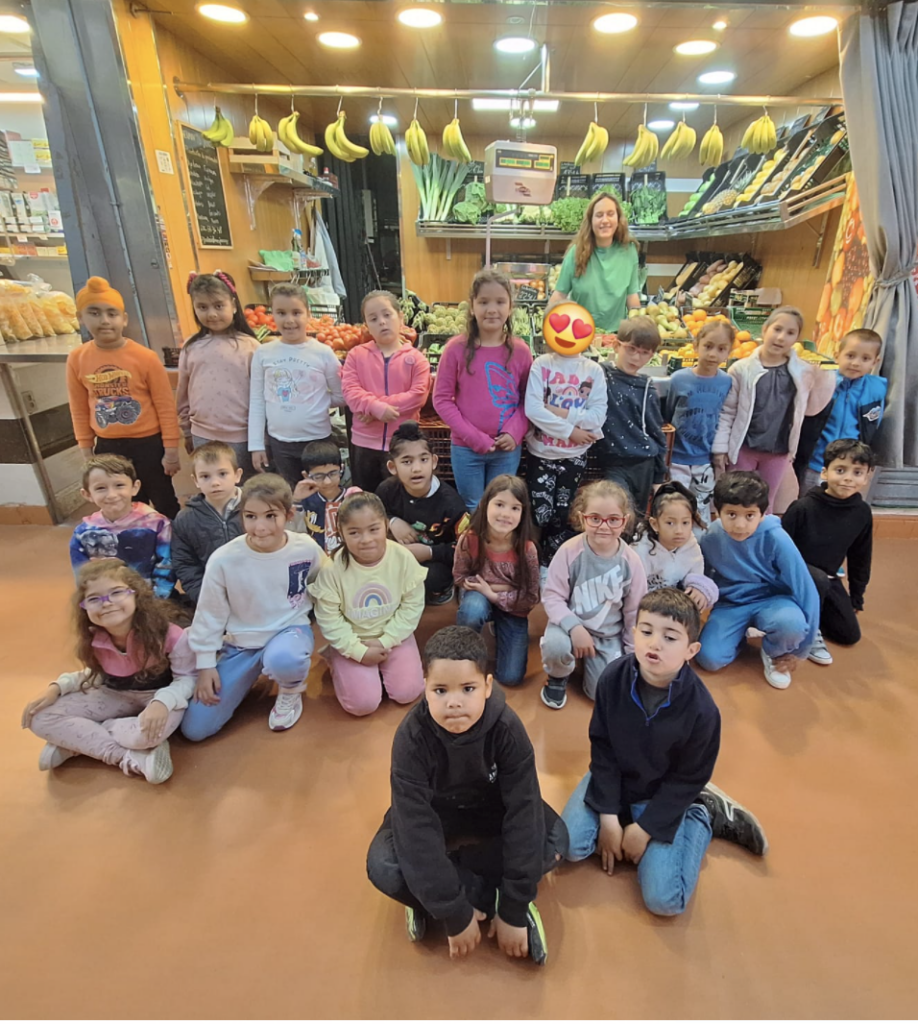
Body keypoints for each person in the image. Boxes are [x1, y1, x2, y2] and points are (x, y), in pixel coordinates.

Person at [366, 625, 568, 966]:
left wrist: (514, 908)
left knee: (556, 841)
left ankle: (429, 893)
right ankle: (447, 894)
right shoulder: (411, 739)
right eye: (440, 690)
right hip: (437, 814)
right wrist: (454, 912)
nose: (454, 702)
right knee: (384, 866)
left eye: (468, 688)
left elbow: (524, 810)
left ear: (487, 687)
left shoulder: (507, 729)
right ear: (425, 687)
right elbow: (415, 826)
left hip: (490, 809)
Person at [561, 589, 768, 918]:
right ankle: (624, 815)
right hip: (615, 778)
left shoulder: (703, 711)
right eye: (646, 631)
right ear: (633, 634)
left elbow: (689, 777)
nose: (654, 644)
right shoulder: (612, 678)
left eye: (670, 637)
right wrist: (609, 817)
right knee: (569, 846)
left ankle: (703, 813)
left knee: (664, 900)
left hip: (662, 792)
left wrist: (646, 828)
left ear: (691, 650)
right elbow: (602, 747)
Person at [22, 560, 194, 784]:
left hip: (158, 696)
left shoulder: (169, 633)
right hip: (114, 694)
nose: (107, 603)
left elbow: (188, 677)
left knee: (149, 735)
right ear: (84, 607)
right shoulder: (93, 636)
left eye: (117, 592)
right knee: (39, 717)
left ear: (136, 595)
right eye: (94, 599)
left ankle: (78, 742)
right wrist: (57, 688)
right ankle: (128, 758)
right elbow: (94, 674)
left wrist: (163, 702)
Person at [181, 474, 326, 740]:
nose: (260, 527)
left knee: (285, 659)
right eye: (250, 516)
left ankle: (290, 689)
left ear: (289, 515)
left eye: (271, 516)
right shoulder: (224, 560)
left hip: (289, 631)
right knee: (195, 730)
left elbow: (327, 582)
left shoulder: (305, 547)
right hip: (242, 643)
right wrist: (205, 664)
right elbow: (210, 612)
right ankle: (245, 676)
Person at [66, 276, 181, 518]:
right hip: (107, 446)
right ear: (80, 318)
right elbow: (78, 408)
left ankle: (173, 540)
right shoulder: (77, 359)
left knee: (164, 501)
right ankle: (134, 538)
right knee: (124, 504)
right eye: (94, 313)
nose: (105, 320)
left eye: (112, 313)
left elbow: (165, 406)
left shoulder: (145, 357)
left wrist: (171, 449)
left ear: (124, 319)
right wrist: (86, 450)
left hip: (149, 444)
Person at [696, 471, 820, 689]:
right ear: (718, 511)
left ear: (762, 514)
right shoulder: (711, 537)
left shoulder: (777, 538)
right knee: (709, 659)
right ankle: (738, 636)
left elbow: (806, 589)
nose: (740, 525)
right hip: (731, 604)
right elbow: (702, 577)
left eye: (749, 515)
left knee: (790, 624)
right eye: (731, 514)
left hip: (773, 601)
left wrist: (801, 649)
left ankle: (774, 651)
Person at [309, 492, 426, 717]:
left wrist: (386, 640)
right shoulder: (332, 570)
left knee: (408, 693)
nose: (366, 539)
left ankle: (381, 669)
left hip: (394, 636)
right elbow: (329, 619)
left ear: (385, 526)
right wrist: (358, 651)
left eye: (374, 529)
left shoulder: (403, 558)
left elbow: (412, 606)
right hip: (354, 638)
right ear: (341, 533)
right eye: (354, 532)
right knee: (363, 705)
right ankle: (337, 659)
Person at [712, 306, 836, 514]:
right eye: (777, 329)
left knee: (766, 503)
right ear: (764, 329)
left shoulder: (802, 372)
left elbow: (812, 408)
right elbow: (728, 411)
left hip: (778, 451)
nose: (781, 337)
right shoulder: (741, 369)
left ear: (797, 338)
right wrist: (720, 448)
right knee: (734, 499)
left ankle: (761, 534)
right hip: (743, 448)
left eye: (790, 333)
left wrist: (822, 376)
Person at [540, 480, 647, 709]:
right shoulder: (569, 551)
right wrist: (575, 628)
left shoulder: (631, 562)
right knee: (555, 645)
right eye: (595, 518)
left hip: (607, 635)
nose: (604, 526)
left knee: (601, 694)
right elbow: (552, 597)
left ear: (625, 521)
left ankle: (588, 661)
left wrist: (632, 655)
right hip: (569, 627)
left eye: (613, 519)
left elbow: (634, 613)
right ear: (582, 518)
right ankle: (558, 675)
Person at [432, 269, 533, 511]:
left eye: (500, 302)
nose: (492, 309)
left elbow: (528, 400)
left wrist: (514, 432)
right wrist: (473, 437)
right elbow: (442, 399)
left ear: (510, 307)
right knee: (473, 506)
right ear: (472, 306)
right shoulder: (455, 349)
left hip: (506, 448)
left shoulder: (521, 351)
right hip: (466, 448)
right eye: (484, 302)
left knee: (501, 505)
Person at [524, 313, 608, 569]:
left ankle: (552, 565)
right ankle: (532, 562)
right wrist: (571, 431)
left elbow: (597, 417)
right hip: (541, 454)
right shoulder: (541, 365)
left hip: (574, 457)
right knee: (539, 513)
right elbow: (533, 410)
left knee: (563, 514)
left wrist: (560, 412)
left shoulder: (593, 370)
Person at [782, 439, 875, 663]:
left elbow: (860, 557)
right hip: (794, 579)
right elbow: (779, 552)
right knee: (818, 579)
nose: (848, 478)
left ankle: (811, 614)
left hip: (828, 580)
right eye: (840, 470)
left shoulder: (862, 513)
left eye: (857, 472)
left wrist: (857, 597)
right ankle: (808, 629)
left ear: (866, 477)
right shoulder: (802, 507)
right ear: (825, 472)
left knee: (849, 634)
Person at [248, 283, 344, 489]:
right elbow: (257, 401)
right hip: (280, 443)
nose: (289, 320)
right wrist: (256, 445)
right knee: (292, 493)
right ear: (272, 314)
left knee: (324, 490)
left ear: (308, 314)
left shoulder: (323, 353)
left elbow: (341, 395)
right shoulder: (263, 353)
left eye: (296, 312)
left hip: (318, 440)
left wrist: (316, 401)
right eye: (281, 313)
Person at [453, 474, 540, 687]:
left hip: (514, 606)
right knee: (472, 610)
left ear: (523, 513)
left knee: (510, 677)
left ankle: (500, 625)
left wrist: (492, 593)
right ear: (484, 505)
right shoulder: (469, 539)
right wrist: (503, 588)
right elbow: (460, 576)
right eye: (499, 504)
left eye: (515, 508)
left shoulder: (527, 549)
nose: (505, 514)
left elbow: (531, 596)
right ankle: (466, 656)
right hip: (478, 596)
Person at [341, 290, 430, 492]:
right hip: (364, 445)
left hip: (403, 445)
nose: (382, 322)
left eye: (387, 315)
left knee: (401, 498)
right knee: (367, 499)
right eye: (373, 319)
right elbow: (350, 391)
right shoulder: (356, 355)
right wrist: (375, 407)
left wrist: (374, 409)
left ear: (401, 318)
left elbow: (417, 396)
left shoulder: (417, 359)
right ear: (366, 325)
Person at [177, 271, 260, 480]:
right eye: (202, 307)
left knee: (244, 488)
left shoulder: (250, 347)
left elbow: (261, 397)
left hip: (242, 437)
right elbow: (183, 392)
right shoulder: (191, 347)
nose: (212, 314)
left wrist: (260, 440)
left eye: (219, 306)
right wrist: (186, 430)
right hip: (202, 435)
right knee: (212, 486)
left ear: (234, 305)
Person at [377, 420, 469, 605]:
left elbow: (466, 548)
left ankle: (441, 590)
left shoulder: (452, 504)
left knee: (431, 578)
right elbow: (374, 515)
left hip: (434, 560)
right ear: (392, 467)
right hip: (397, 555)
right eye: (407, 461)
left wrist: (429, 552)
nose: (416, 468)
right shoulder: (386, 490)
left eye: (423, 459)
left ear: (434, 461)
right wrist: (392, 521)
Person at [794, 328, 887, 492]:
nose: (856, 363)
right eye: (850, 356)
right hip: (815, 464)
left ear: (875, 362)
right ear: (837, 355)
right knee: (809, 500)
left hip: (850, 468)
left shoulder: (876, 390)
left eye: (865, 358)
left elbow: (873, 426)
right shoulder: (824, 382)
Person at [70, 454, 174, 600]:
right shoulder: (83, 534)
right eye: (100, 488)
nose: (111, 495)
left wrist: (156, 599)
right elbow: (82, 577)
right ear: (87, 494)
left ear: (135, 487)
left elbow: (167, 565)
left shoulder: (157, 523)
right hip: (108, 602)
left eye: (119, 485)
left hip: (152, 600)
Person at [594, 315, 668, 515]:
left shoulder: (647, 388)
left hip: (643, 463)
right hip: (613, 462)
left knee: (638, 517)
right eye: (631, 349)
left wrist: (658, 477)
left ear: (651, 355)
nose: (636, 358)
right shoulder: (601, 374)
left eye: (644, 353)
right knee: (619, 510)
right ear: (616, 346)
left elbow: (656, 432)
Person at [665, 320, 736, 522]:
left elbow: (725, 414)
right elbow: (669, 413)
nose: (713, 354)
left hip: (704, 459)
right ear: (696, 346)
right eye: (708, 346)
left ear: (729, 352)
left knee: (702, 510)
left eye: (721, 349)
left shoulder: (726, 382)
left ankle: (699, 539)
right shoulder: (679, 379)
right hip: (677, 457)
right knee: (675, 507)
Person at [545, 191, 641, 332]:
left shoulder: (629, 251)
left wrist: (639, 327)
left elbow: (632, 296)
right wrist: (546, 325)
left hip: (615, 336)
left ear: (618, 218)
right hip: (580, 333)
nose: (605, 220)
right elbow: (560, 294)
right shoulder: (576, 252)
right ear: (591, 221)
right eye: (599, 215)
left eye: (610, 214)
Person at [170, 441, 243, 605]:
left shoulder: (255, 508)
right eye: (205, 476)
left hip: (259, 593)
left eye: (222, 474)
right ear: (195, 480)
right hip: (212, 598)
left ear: (237, 475)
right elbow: (185, 564)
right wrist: (203, 596)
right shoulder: (186, 519)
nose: (215, 482)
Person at [631, 482, 718, 611]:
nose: (679, 531)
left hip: (676, 609)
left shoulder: (692, 546)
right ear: (655, 524)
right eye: (670, 523)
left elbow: (696, 576)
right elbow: (633, 595)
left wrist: (698, 588)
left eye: (685, 523)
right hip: (646, 610)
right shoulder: (640, 551)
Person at [291, 439, 360, 554]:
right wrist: (296, 501)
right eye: (319, 476)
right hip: (315, 556)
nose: (327, 481)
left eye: (333, 473)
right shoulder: (304, 501)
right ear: (306, 475)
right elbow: (294, 532)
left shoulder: (352, 497)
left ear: (342, 469)